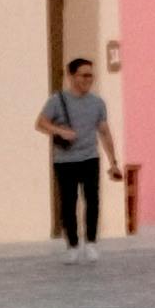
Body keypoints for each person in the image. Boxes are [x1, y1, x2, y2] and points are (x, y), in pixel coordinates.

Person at [38, 52, 112, 252]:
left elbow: (104, 131)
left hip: (90, 157)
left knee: (92, 200)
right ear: (71, 76)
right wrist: (60, 131)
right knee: (69, 202)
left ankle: (91, 242)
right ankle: (72, 243)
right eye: (84, 75)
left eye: (91, 75)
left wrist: (113, 161)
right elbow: (41, 123)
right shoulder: (57, 100)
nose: (88, 79)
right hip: (65, 160)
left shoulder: (97, 103)